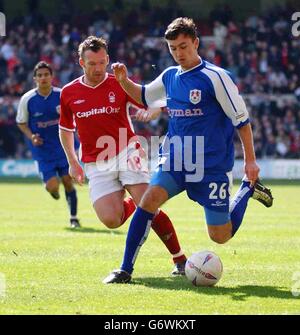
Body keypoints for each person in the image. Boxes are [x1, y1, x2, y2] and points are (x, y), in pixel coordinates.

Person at [103, 17, 274, 284]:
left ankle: (247, 189)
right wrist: (124, 81)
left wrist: (250, 162)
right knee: (148, 201)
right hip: (176, 159)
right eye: (173, 48)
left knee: (220, 236)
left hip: (211, 166)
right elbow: (144, 95)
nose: (178, 53)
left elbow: (242, 121)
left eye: (183, 46)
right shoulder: (170, 76)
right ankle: (125, 269)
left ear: (196, 43)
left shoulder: (216, 78)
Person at [59, 36, 187, 275]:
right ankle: (132, 203)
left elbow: (153, 101)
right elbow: (65, 129)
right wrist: (72, 162)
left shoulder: (119, 82)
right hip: (95, 162)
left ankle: (179, 258)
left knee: (148, 205)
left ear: (107, 59)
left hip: (127, 152)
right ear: (81, 63)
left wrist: (153, 112)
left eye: (102, 62)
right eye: (92, 64)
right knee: (111, 220)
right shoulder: (68, 93)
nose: (98, 69)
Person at [16, 61, 80, 228]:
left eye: (46, 74)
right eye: (40, 75)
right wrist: (32, 137)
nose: (43, 78)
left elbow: (76, 116)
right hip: (42, 149)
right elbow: (21, 122)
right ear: (35, 78)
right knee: (52, 186)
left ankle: (73, 218)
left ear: (52, 77)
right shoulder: (27, 99)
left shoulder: (62, 95)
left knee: (67, 180)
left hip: (63, 146)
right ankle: (54, 191)